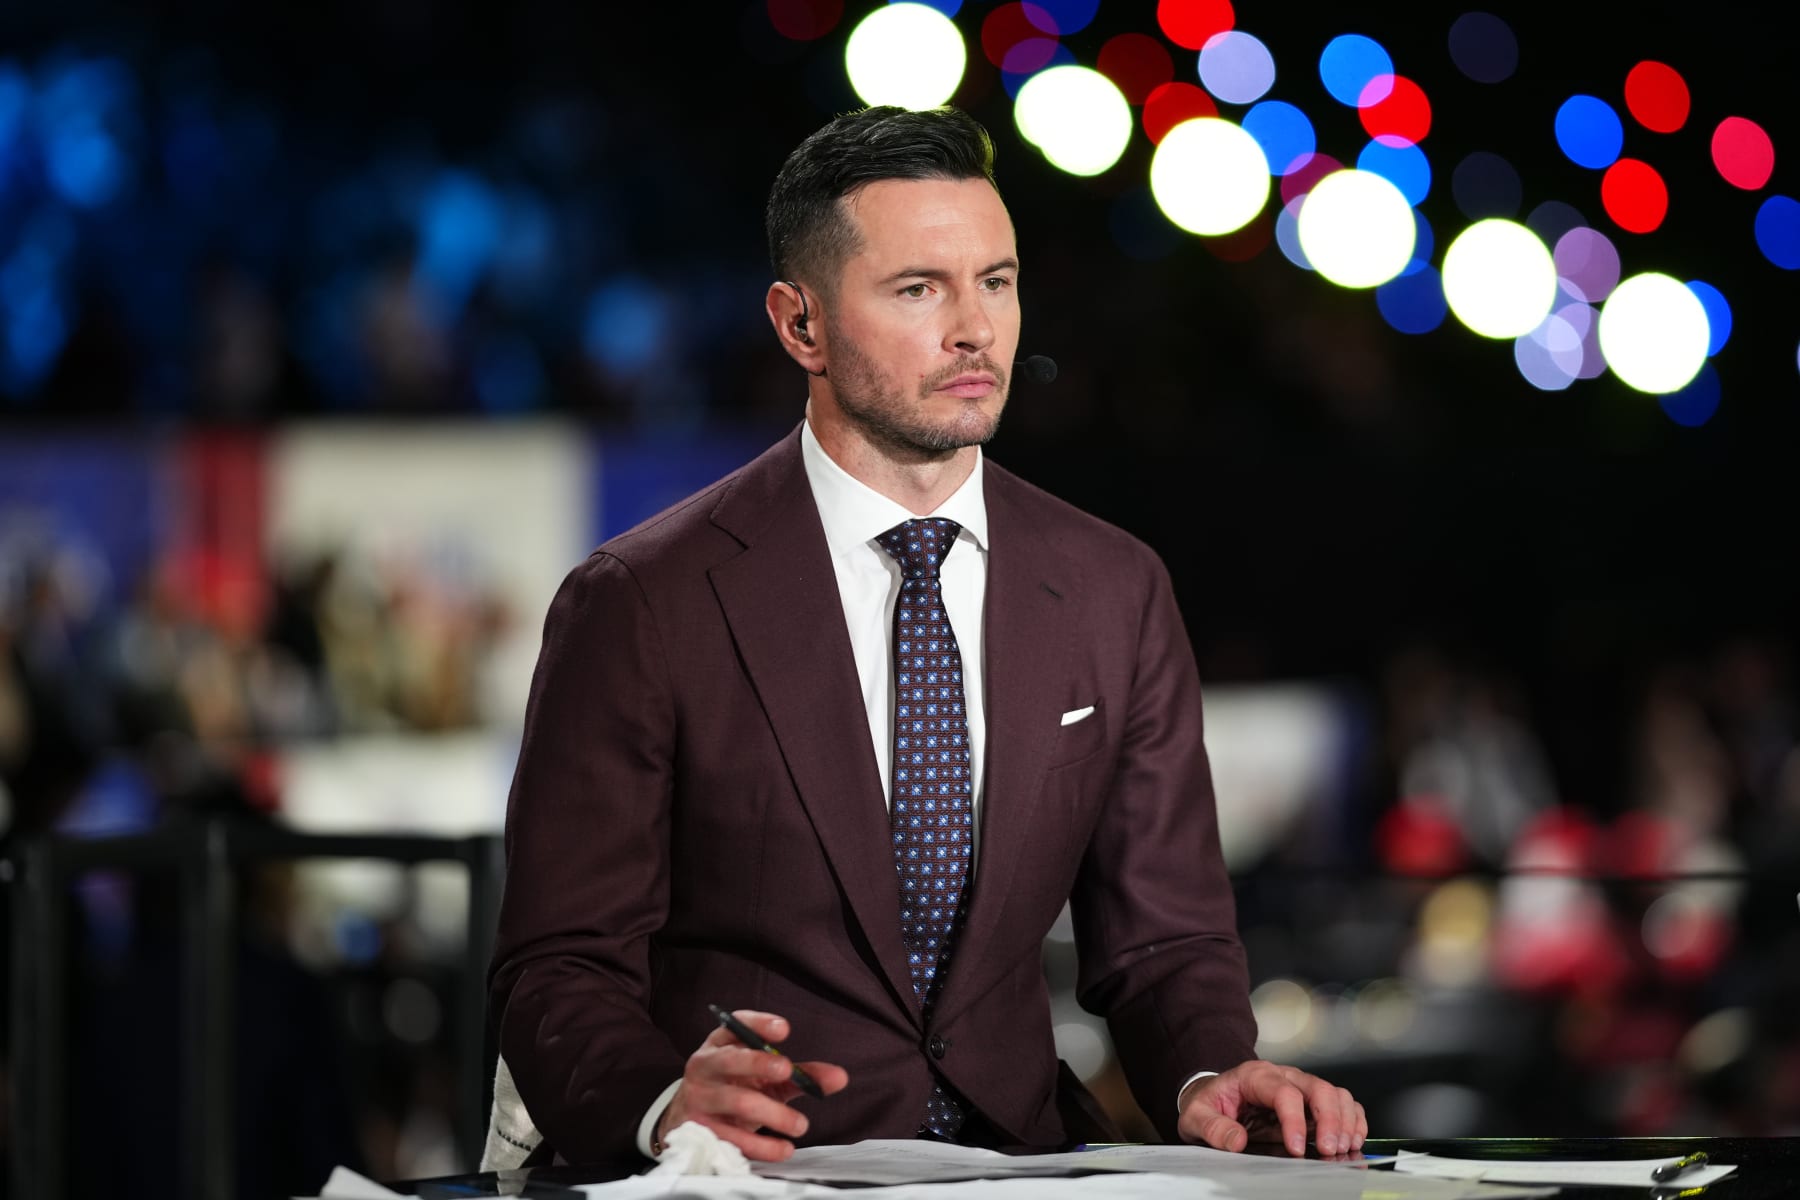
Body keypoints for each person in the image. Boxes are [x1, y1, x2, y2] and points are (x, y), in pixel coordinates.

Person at [485, 105, 1365, 1168]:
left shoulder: (1112, 588)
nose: (976, 329)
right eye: (919, 289)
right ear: (800, 324)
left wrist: (1211, 1071)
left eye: (996, 281)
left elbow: (1163, 938)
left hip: (1022, 1163)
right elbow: (559, 965)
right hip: (756, 1177)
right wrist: (667, 1106)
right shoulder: (640, 602)